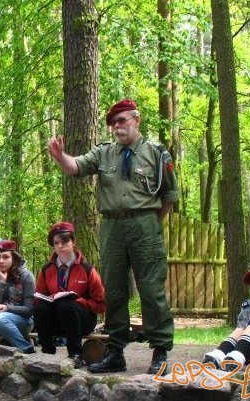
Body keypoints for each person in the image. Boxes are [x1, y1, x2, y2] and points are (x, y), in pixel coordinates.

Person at [48, 99, 178, 374]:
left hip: (145, 225)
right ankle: (116, 352)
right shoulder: (104, 153)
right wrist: (60, 156)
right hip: (112, 227)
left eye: (122, 121)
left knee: (152, 290)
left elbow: (169, 196)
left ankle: (160, 352)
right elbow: (76, 166)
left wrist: (151, 222)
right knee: (114, 291)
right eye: (113, 123)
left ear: (136, 120)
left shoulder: (156, 153)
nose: (117, 127)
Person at [33, 222, 105, 368]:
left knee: (67, 305)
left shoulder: (87, 269)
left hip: (81, 321)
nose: (60, 246)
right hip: (57, 321)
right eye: (56, 243)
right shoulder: (46, 269)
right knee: (41, 309)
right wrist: (47, 300)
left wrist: (80, 301)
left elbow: (101, 304)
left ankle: (75, 354)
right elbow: (37, 298)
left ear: (73, 242)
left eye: (64, 241)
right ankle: (47, 352)